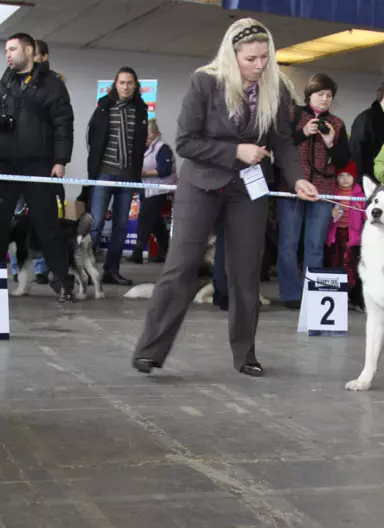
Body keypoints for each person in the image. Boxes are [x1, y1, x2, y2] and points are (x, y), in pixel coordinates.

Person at [131, 18, 317, 378]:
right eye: (251, 59)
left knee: (246, 273)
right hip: (201, 184)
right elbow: (186, 142)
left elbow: (282, 141)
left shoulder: (275, 88)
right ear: (232, 56)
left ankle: (245, 354)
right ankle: (150, 350)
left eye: (264, 57)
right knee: (181, 267)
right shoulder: (204, 82)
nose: (259, 65)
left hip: (248, 189)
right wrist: (236, 151)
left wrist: (297, 180)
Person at [0, 35, 76, 303]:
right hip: (5, 163)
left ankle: (63, 280)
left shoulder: (52, 85)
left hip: (39, 164)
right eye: (6, 50)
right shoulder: (3, 84)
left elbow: (64, 124)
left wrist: (60, 161)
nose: (7, 54)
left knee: (47, 225)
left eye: (13, 49)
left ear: (29, 51)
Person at [277, 72, 350, 310]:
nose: (325, 99)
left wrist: (330, 142)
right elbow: (280, 145)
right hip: (291, 188)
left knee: (315, 244)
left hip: (324, 190)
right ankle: (290, 294)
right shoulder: (292, 115)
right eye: (320, 94)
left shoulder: (337, 124)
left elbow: (343, 160)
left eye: (329, 95)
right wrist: (303, 133)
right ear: (310, 95)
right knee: (288, 243)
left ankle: (312, 293)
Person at [86, 67, 149, 286]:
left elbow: (141, 144)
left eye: (129, 83)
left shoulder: (141, 109)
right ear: (115, 84)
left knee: (121, 225)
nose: (125, 86)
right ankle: (86, 269)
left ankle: (111, 270)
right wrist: (92, 171)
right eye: (122, 82)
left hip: (128, 175)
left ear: (135, 85)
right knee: (95, 222)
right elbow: (92, 138)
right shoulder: (104, 106)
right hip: (104, 172)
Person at [130, 119, 176, 264]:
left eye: (149, 135)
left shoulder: (163, 148)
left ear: (156, 134)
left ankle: (137, 253)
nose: (146, 138)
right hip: (149, 189)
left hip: (162, 190)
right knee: (155, 222)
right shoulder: (144, 147)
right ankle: (167, 250)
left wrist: (145, 173)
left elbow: (165, 170)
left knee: (144, 218)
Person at [324, 162, 366, 310]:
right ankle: (338, 296)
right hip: (336, 236)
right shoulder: (332, 193)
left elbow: (366, 217)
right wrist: (332, 214)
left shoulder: (360, 195)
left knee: (351, 266)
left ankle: (352, 296)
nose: (345, 179)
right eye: (341, 176)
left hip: (352, 238)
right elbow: (326, 216)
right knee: (336, 264)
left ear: (354, 177)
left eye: (348, 175)